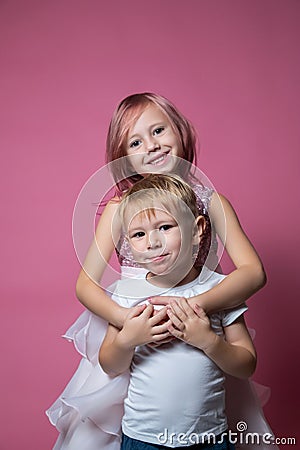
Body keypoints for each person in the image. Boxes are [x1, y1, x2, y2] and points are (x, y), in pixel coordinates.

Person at [46, 94, 272, 449]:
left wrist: (194, 305)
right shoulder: (120, 207)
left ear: (179, 132)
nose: (151, 145)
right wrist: (128, 320)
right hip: (137, 323)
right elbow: (86, 285)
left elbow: (253, 273)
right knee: (107, 429)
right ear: (124, 156)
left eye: (158, 130)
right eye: (136, 141)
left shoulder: (210, 201)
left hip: (197, 327)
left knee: (201, 408)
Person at [99, 173, 256, 450]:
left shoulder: (220, 289)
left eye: (165, 227)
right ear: (128, 244)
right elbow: (110, 365)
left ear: (197, 230)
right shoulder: (127, 292)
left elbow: (246, 365)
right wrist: (128, 339)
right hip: (143, 439)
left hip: (209, 439)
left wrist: (208, 340)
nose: (152, 242)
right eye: (139, 234)